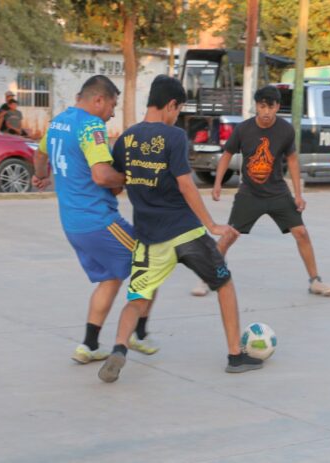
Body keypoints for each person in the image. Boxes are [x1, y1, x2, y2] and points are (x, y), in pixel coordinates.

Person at [99, 75, 261, 383]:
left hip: (148, 238)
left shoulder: (125, 139)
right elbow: (186, 184)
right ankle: (234, 356)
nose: (177, 115)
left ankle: (119, 349)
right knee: (224, 285)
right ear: (171, 105)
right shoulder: (173, 137)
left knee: (136, 299)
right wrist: (211, 224)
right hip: (186, 233)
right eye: (178, 109)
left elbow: (117, 183)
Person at [32, 75, 157, 364]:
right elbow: (102, 176)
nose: (112, 112)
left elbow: (39, 155)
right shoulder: (91, 126)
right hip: (98, 221)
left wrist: (40, 176)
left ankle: (88, 345)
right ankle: (138, 334)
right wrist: (129, 178)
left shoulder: (57, 123)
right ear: (98, 100)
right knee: (151, 259)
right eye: (112, 105)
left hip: (73, 224)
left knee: (111, 278)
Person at [190, 85, 330, 298]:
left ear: (277, 107)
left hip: (278, 192)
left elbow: (293, 160)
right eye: (262, 106)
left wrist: (297, 194)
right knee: (229, 236)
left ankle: (315, 281)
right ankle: (206, 278)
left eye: (270, 107)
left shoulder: (285, 130)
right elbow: (227, 155)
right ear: (256, 107)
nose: (266, 112)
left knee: (302, 233)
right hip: (249, 193)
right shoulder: (243, 129)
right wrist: (217, 183)